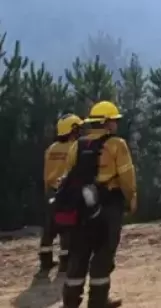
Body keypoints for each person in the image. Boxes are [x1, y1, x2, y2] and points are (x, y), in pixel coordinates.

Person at [61, 101, 136, 308]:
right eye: (114, 121)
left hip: (81, 208)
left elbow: (67, 176)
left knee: (78, 254)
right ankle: (98, 302)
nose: (116, 125)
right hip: (109, 206)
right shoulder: (117, 145)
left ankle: (70, 302)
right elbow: (127, 178)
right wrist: (131, 199)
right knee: (103, 256)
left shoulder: (77, 146)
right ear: (106, 123)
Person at [38, 113, 83, 276]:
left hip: (51, 190)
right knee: (67, 227)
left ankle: (45, 261)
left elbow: (46, 173)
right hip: (66, 192)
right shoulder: (75, 147)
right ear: (73, 129)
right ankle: (65, 262)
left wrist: (46, 191)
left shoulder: (51, 149)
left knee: (49, 229)